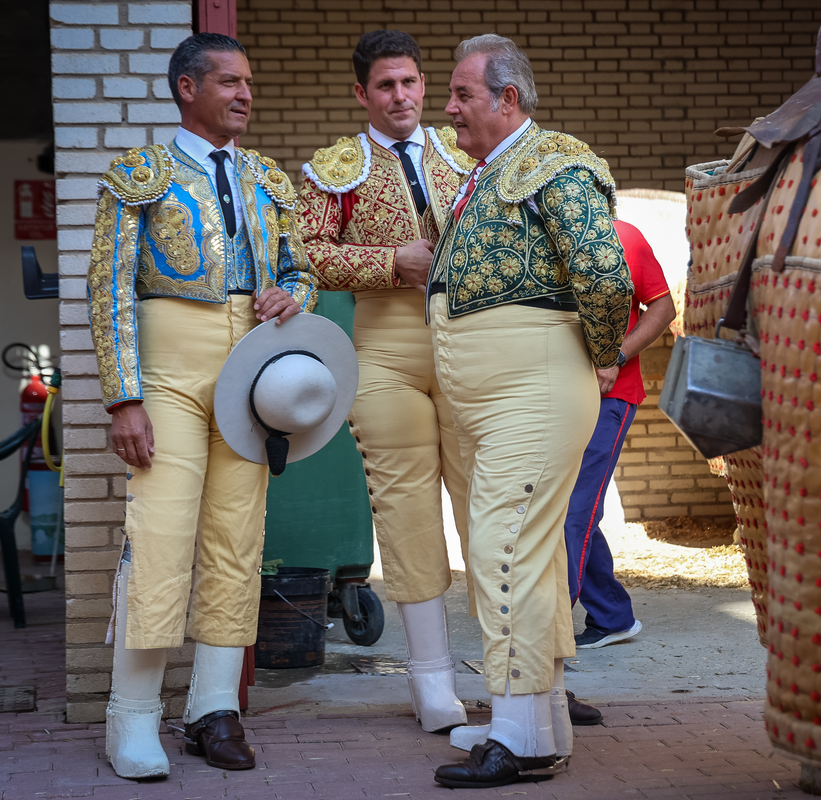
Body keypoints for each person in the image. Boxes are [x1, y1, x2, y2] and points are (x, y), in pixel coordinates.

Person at [86, 32, 317, 780]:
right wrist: (124, 398)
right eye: (229, 81)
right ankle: (131, 717)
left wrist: (294, 294)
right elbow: (108, 288)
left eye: (249, 81)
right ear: (188, 88)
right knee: (160, 536)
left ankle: (214, 710)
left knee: (234, 538)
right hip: (171, 373)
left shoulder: (266, 177)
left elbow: (300, 268)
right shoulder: (139, 173)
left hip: (252, 372)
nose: (246, 93)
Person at [428, 34, 634, 789]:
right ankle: (539, 724)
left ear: (508, 99)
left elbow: (605, 275)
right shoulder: (490, 172)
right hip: (496, 398)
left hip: (534, 390)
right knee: (533, 556)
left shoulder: (558, 161)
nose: (448, 109)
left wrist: (604, 350)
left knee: (501, 547)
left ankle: (513, 736)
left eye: (463, 95)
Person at [293, 29, 475, 733]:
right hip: (387, 342)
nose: (401, 96)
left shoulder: (465, 149)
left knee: (486, 503)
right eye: (385, 86)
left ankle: (520, 670)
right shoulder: (336, 167)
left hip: (468, 338)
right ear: (361, 93)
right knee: (404, 508)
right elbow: (305, 254)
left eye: (410, 83)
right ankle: (431, 679)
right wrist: (387, 261)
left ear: (422, 85)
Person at [566, 220, 675, 652]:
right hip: (551, 395)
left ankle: (549, 627)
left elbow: (662, 308)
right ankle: (612, 616)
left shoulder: (624, 236)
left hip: (610, 395)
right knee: (570, 509)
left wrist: (617, 355)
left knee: (573, 509)